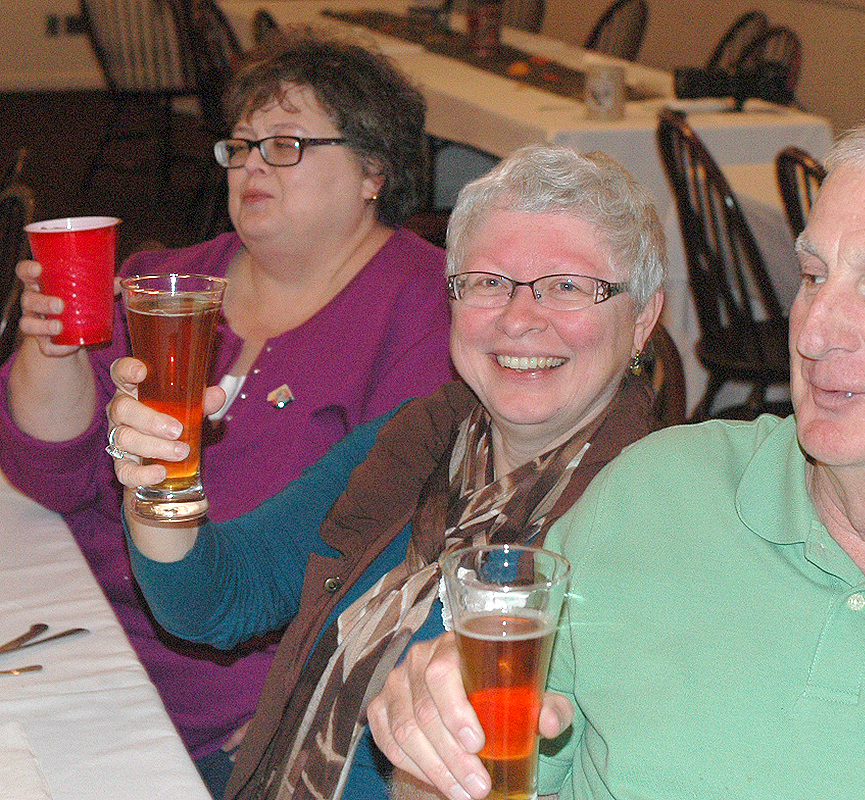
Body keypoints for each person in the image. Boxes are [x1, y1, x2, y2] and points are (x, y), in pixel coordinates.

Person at [367, 104, 865, 799]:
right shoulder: (655, 494)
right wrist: (430, 757)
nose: (814, 328)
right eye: (812, 276)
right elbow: (482, 776)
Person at [107, 143, 667, 800]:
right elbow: (216, 600)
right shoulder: (417, 442)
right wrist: (158, 480)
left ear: (643, 320)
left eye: (568, 287)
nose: (520, 319)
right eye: (488, 282)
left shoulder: (651, 514)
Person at [0, 29, 453, 797]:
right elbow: (52, 474)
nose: (249, 164)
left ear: (373, 169)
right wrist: (53, 345)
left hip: (237, 689)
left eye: (284, 144)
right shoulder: (165, 281)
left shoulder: (422, 304)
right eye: (239, 146)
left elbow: (406, 531)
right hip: (92, 637)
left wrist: (306, 690)